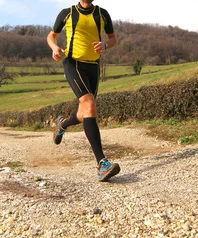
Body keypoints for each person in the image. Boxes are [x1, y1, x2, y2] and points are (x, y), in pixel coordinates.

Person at [47, 0, 119, 182]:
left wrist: (105, 46)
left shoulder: (102, 14)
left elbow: (113, 38)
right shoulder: (67, 13)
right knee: (89, 104)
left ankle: (62, 124)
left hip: (93, 66)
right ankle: (102, 164)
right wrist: (55, 48)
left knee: (85, 112)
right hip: (73, 63)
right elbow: (51, 36)